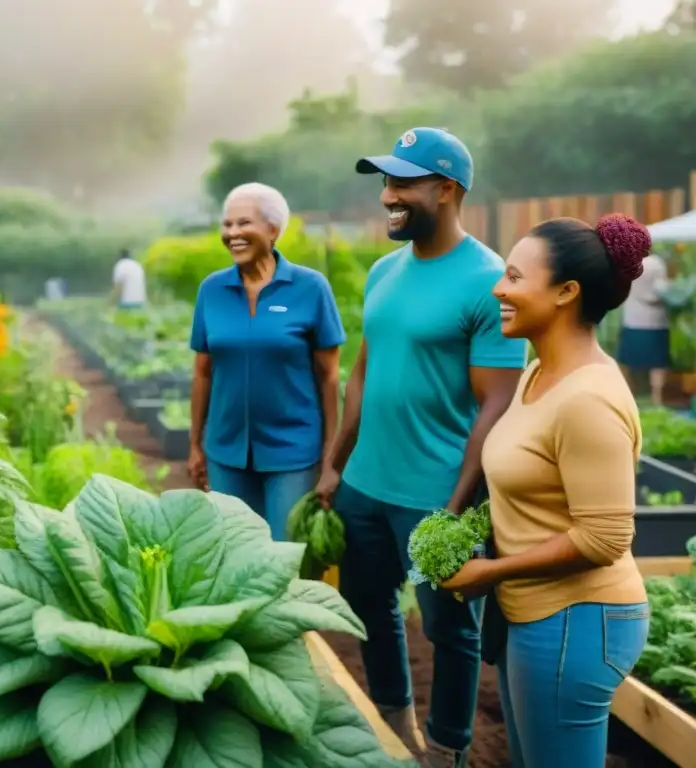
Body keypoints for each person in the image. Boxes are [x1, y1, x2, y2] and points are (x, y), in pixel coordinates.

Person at [316, 128, 527, 766]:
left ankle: (445, 750)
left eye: (404, 183)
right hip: (367, 485)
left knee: (449, 630)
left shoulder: (491, 282)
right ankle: (392, 727)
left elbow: (499, 400)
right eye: (386, 182)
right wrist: (335, 462)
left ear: (448, 189)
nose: (388, 196)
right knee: (368, 610)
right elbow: (361, 370)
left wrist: (457, 506)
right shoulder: (384, 271)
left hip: (437, 490)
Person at [441, 214, 651, 768]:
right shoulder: (538, 372)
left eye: (513, 277)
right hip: (534, 617)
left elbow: (605, 536)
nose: (497, 288)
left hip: (576, 620)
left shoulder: (588, 399)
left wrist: (490, 572)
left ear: (566, 292)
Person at [189, 182, 345, 541]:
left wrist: (330, 458)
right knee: (234, 554)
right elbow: (202, 372)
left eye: (244, 223)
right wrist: (196, 445)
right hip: (226, 451)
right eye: (227, 225)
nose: (232, 234)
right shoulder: (211, 290)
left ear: (273, 230)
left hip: (293, 453)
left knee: (285, 557)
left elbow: (330, 377)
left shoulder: (311, 288)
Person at [617, 250, 671, 405]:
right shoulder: (658, 263)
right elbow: (663, 289)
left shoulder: (630, 265)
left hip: (633, 321)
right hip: (656, 322)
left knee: (628, 360)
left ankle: (627, 395)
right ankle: (657, 397)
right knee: (658, 362)